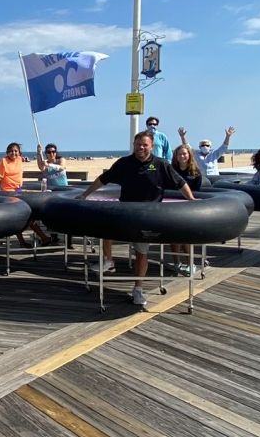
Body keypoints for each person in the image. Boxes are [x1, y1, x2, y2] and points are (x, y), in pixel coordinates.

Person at [78, 130, 196, 307]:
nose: (141, 147)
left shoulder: (160, 164)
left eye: (145, 144)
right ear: (133, 145)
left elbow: (180, 183)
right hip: (125, 213)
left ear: (151, 146)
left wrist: (192, 201)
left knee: (141, 252)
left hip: (148, 217)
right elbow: (103, 179)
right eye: (138, 144)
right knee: (103, 226)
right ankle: (108, 261)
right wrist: (85, 194)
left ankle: (138, 289)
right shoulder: (124, 163)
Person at [168, 143, 208, 275]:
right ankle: (176, 262)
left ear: (189, 155)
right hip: (173, 207)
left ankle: (190, 262)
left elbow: (196, 192)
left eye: (185, 153)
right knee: (173, 236)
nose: (182, 156)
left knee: (185, 236)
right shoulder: (171, 170)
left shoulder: (195, 172)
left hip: (188, 208)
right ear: (176, 156)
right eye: (180, 154)